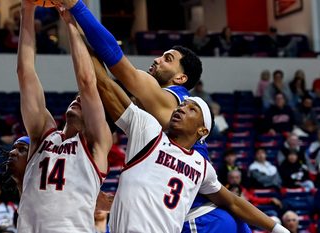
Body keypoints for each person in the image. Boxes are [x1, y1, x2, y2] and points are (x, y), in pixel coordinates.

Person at [54, 0, 254, 231]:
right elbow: (102, 82)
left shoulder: (171, 99)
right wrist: (73, 29)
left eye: (167, 59)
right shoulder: (153, 109)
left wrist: (77, 8)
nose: (157, 60)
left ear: (181, 78)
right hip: (174, 209)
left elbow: (114, 57)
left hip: (199, 214)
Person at [88, 38, 290, 232]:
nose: (182, 110)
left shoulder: (169, 103)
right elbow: (232, 201)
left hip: (201, 219)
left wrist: (76, 16)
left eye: (167, 58)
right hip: (214, 215)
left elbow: (115, 74)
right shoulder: (197, 163)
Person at [15, 1, 112, 232]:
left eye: (84, 101)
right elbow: (25, 73)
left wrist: (70, 21)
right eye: (75, 97)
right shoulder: (43, 134)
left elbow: (88, 83)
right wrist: (27, 10)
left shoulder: (97, 144)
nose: (79, 98)